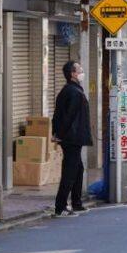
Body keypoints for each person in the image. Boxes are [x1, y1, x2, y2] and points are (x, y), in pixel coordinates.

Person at [51, 61, 93, 217]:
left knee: (78, 169)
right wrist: (59, 134)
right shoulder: (73, 92)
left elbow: (57, 115)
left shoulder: (70, 90)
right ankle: (60, 206)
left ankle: (76, 203)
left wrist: (56, 132)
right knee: (70, 171)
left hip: (71, 137)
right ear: (72, 74)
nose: (82, 71)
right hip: (71, 138)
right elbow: (68, 117)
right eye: (79, 69)